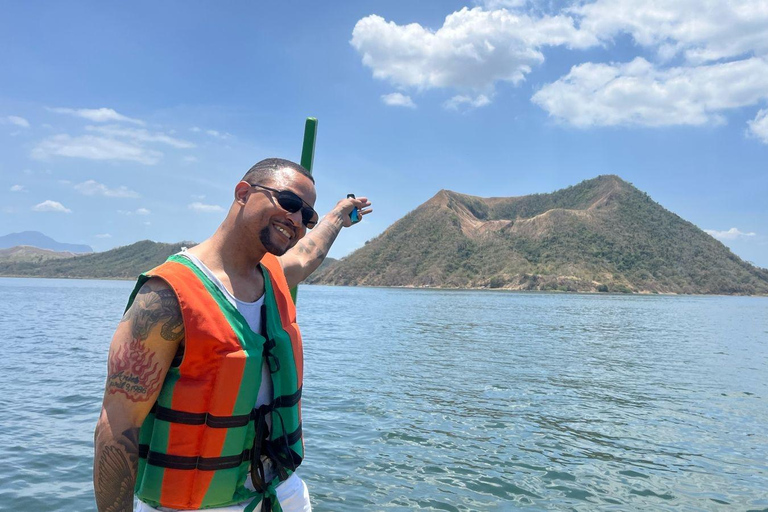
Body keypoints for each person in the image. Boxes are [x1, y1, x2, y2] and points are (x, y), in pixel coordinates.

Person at [94, 158, 372, 512]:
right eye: (288, 203)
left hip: (280, 492)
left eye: (307, 215)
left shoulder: (272, 276)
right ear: (243, 193)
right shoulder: (166, 297)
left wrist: (337, 216)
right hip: (196, 505)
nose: (298, 221)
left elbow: (308, 253)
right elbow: (117, 426)